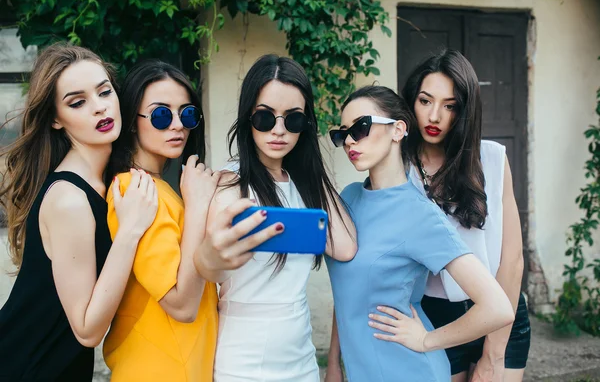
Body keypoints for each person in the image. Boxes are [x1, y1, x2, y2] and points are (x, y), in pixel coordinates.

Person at [325, 85, 514, 382]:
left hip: (408, 370)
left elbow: (498, 308)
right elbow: (347, 293)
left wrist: (428, 340)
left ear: (398, 129)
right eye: (342, 133)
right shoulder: (348, 198)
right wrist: (334, 363)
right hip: (360, 370)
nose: (350, 140)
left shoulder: (420, 215)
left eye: (361, 127)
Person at [193, 54, 357, 382]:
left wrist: (312, 170)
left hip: (300, 355)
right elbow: (211, 270)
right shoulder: (229, 184)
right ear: (247, 117)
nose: (279, 131)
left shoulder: (302, 186)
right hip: (243, 358)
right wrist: (209, 256)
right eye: (265, 118)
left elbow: (346, 247)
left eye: (293, 120)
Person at [0, 43, 157, 381]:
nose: (100, 108)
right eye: (78, 102)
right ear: (56, 119)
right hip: (26, 366)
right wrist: (130, 232)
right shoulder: (69, 199)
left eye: (104, 92)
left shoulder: (106, 182)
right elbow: (87, 330)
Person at [402, 48, 531, 382]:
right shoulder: (399, 170)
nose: (434, 117)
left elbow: (512, 259)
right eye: (425, 101)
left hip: (501, 314)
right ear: (411, 102)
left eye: (450, 106)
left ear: (465, 110)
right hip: (434, 315)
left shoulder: (491, 159)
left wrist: (493, 354)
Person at [102, 60, 219, 381]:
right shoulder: (135, 189)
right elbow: (181, 305)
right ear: (131, 121)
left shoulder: (159, 187)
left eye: (188, 114)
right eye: (161, 114)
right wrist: (197, 206)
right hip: (159, 368)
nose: (178, 125)